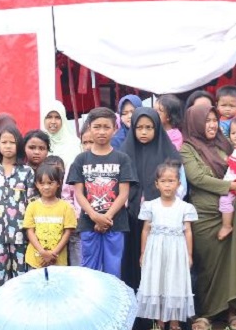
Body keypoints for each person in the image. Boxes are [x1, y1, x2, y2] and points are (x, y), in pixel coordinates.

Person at [180, 104, 236, 330]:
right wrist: (233, 186)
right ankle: (206, 313)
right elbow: (197, 178)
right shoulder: (187, 148)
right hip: (205, 213)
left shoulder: (225, 144)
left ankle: (233, 311)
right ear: (195, 123)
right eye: (206, 121)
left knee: (234, 261)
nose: (211, 125)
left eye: (214, 120)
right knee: (208, 264)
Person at [120, 106, 184, 299]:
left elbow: (179, 186)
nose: (144, 132)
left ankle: (161, 307)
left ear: (157, 128)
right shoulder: (124, 154)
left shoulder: (169, 154)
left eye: (149, 127)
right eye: (139, 127)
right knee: (134, 261)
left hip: (162, 219)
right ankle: (136, 307)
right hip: (132, 219)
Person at [69, 108, 136, 277]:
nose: (101, 132)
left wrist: (106, 217)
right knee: (89, 269)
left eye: (106, 127)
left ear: (115, 129)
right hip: (88, 222)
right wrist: (94, 216)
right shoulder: (81, 160)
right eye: (97, 127)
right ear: (89, 128)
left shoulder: (122, 159)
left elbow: (124, 194)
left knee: (113, 269)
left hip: (116, 223)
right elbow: (79, 193)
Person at [137, 161, 198, 330]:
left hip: (177, 251)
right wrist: (143, 253)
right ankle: (159, 323)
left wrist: (189, 254)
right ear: (157, 184)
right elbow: (145, 230)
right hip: (155, 250)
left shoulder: (185, 207)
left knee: (175, 282)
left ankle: (175, 323)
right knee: (157, 281)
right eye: (163, 181)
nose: (167, 185)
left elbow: (188, 231)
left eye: (171, 181)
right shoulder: (150, 205)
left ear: (179, 183)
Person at [0, 125, 35, 284]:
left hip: (21, 234)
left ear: (18, 145)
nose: (8, 146)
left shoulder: (27, 172)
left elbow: (32, 203)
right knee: (1, 278)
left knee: (21, 278)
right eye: (4, 142)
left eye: (12, 142)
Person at [23, 160, 76, 269]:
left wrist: (53, 254)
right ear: (36, 184)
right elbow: (30, 232)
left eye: (50, 183)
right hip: (35, 260)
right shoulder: (32, 206)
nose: (46, 187)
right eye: (42, 183)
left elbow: (67, 233)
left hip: (58, 261)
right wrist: (43, 252)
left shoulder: (66, 207)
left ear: (59, 183)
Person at [42, 100, 81, 170]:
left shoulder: (74, 143)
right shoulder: (40, 142)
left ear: (63, 119)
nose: (53, 121)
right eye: (49, 117)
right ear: (43, 119)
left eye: (57, 117)